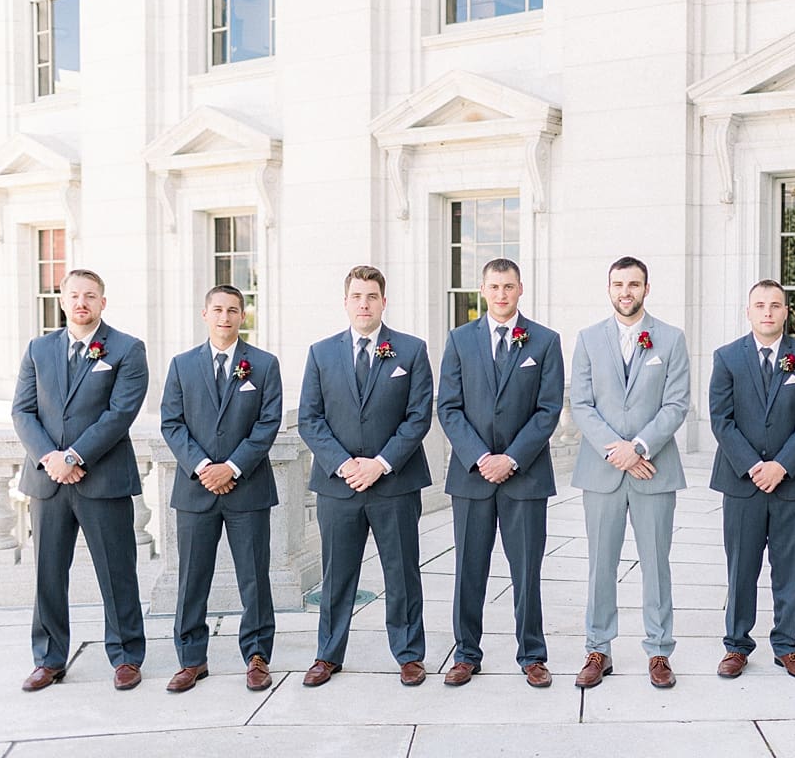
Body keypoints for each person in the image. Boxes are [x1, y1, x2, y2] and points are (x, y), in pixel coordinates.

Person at [12, 269, 149, 692]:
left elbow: (121, 413)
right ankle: (50, 659)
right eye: (74, 295)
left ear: (102, 302)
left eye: (90, 296)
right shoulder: (39, 349)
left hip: (103, 478)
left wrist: (75, 455)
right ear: (62, 299)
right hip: (48, 482)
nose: (81, 302)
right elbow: (23, 411)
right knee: (48, 574)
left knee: (117, 570)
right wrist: (51, 458)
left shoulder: (127, 349)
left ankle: (126, 655)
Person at [298, 265, 433, 687]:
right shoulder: (321, 353)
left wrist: (380, 463)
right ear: (345, 302)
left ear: (383, 301)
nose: (363, 303)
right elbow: (310, 418)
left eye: (371, 296)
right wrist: (344, 464)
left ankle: (410, 654)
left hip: (395, 482)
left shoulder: (410, 351)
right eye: (356, 296)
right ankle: (328, 654)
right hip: (338, 486)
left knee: (403, 572)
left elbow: (417, 417)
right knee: (337, 574)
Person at [437, 258, 564, 688]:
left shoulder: (544, 341)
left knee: (526, 569)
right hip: (471, 477)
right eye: (494, 286)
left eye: (509, 286)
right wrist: (479, 457)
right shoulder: (459, 340)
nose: (502, 294)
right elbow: (448, 407)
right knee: (469, 568)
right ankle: (466, 653)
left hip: (524, 477)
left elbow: (548, 410)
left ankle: (532, 654)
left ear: (520, 289)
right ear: (482, 290)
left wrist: (510, 458)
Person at [570, 256, 690, 690]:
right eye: (618, 284)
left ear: (646, 288)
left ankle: (659, 651)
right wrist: (617, 452)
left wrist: (638, 447)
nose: (626, 291)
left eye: (634, 284)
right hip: (602, 472)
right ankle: (598, 649)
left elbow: (676, 404)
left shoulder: (671, 339)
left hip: (654, 470)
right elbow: (581, 404)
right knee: (601, 564)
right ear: (608, 288)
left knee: (657, 563)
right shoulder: (587, 339)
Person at [160, 284, 282, 692]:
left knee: (254, 577)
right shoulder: (181, 365)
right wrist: (202, 467)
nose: (225, 317)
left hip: (246, 488)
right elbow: (172, 424)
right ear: (204, 314)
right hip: (195, 490)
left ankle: (257, 655)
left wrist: (231, 467)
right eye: (218, 310)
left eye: (233, 310)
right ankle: (191, 659)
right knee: (192, 578)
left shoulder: (263, 365)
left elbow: (268, 424)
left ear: (243, 316)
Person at [709, 279, 795, 681]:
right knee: (741, 566)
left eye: (775, 305)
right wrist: (754, 466)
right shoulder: (726, 358)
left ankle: (787, 646)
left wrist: (781, 465)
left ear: (786, 311)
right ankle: (737, 645)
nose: (768, 312)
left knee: (789, 567)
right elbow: (721, 420)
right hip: (741, 482)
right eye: (760, 305)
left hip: (793, 482)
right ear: (749, 311)